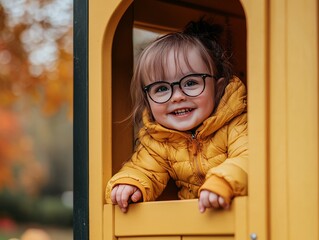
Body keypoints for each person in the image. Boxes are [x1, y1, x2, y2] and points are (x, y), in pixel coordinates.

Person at [105, 18, 248, 213]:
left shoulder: (237, 123)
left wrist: (223, 182)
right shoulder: (159, 140)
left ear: (218, 87)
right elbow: (144, 169)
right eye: (162, 88)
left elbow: (249, 158)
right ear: (148, 100)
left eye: (190, 83)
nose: (178, 96)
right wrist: (129, 183)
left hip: (241, 219)